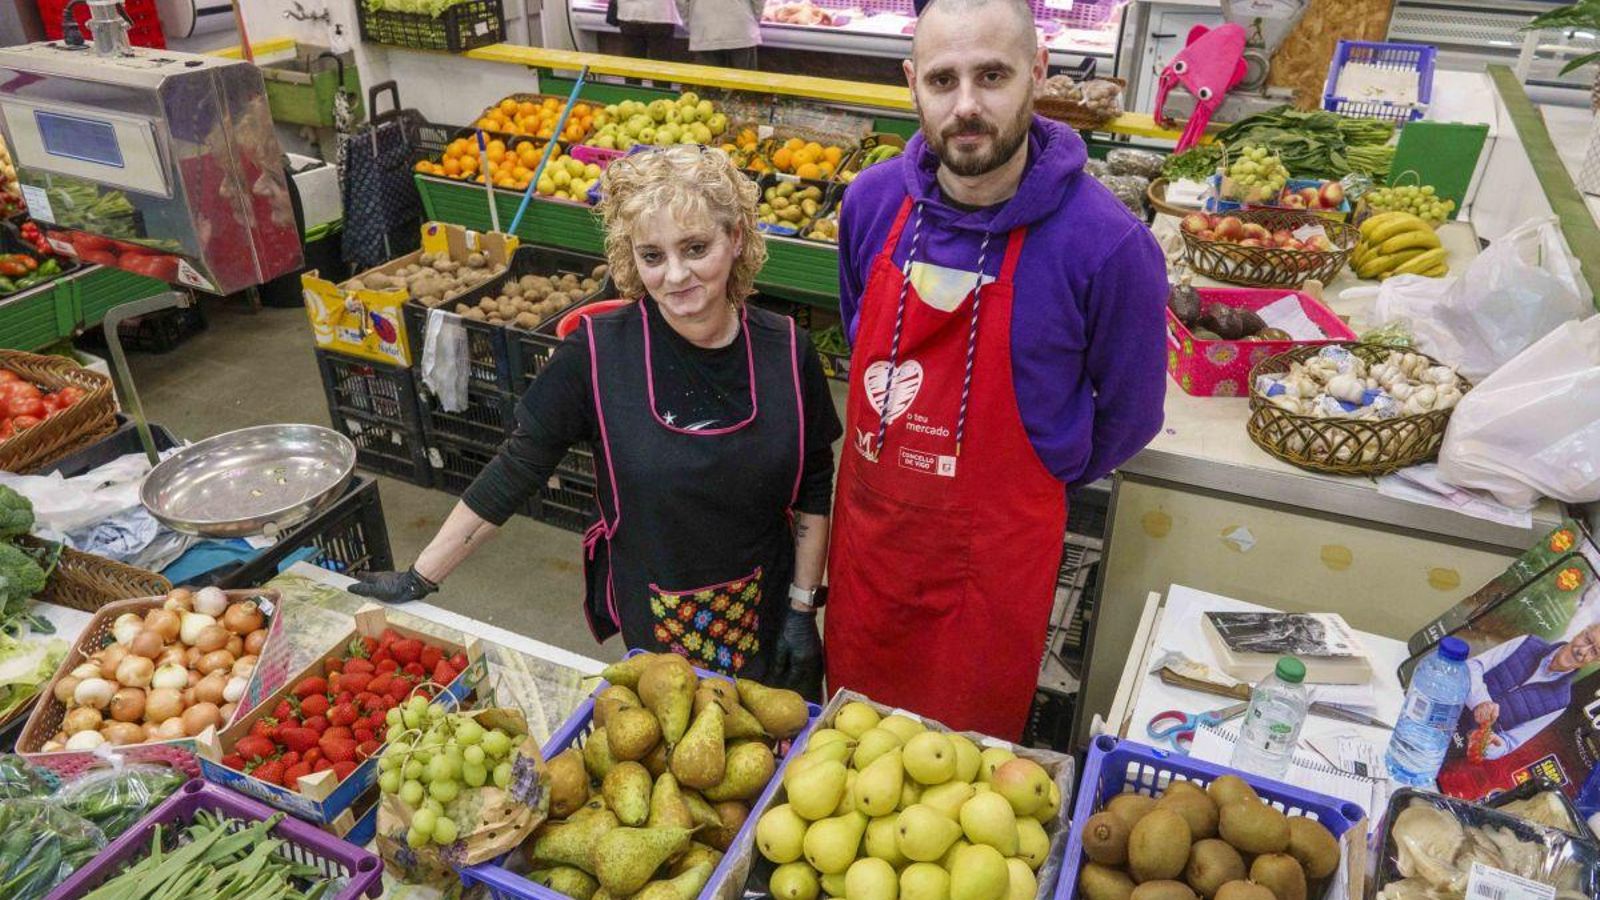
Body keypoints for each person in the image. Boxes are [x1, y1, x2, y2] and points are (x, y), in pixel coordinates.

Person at [354, 147, 841, 694]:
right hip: (657, 623)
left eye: (696, 248)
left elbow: (815, 487)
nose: (676, 275)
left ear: (737, 239)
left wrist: (803, 609)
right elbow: (518, 469)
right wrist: (421, 575)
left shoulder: (787, 351)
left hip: (770, 614)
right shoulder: (597, 355)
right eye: (652, 256)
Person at [824, 0, 1168, 739]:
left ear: (1038, 73)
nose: (967, 106)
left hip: (992, 575)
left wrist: (1038, 469)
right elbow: (858, 331)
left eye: (993, 75)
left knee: (970, 790)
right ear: (911, 83)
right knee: (848, 765)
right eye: (943, 81)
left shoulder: (1108, 246)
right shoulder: (869, 205)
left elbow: (1133, 413)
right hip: (872, 558)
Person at [1462, 623, 1600, 760]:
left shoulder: (1561, 701)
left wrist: (1487, 746)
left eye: (1594, 652)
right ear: (1581, 632)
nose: (1582, 651)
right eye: (1587, 640)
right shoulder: (1527, 643)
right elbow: (1472, 666)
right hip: (1446, 702)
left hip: (1458, 745)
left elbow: (1509, 742)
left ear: (1596, 661)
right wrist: (1481, 701)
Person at [676, 0, 762, 70]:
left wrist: (690, 23)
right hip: (742, 29)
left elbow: (681, 2)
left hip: (705, 30)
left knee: (708, 84)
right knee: (745, 85)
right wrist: (754, 20)